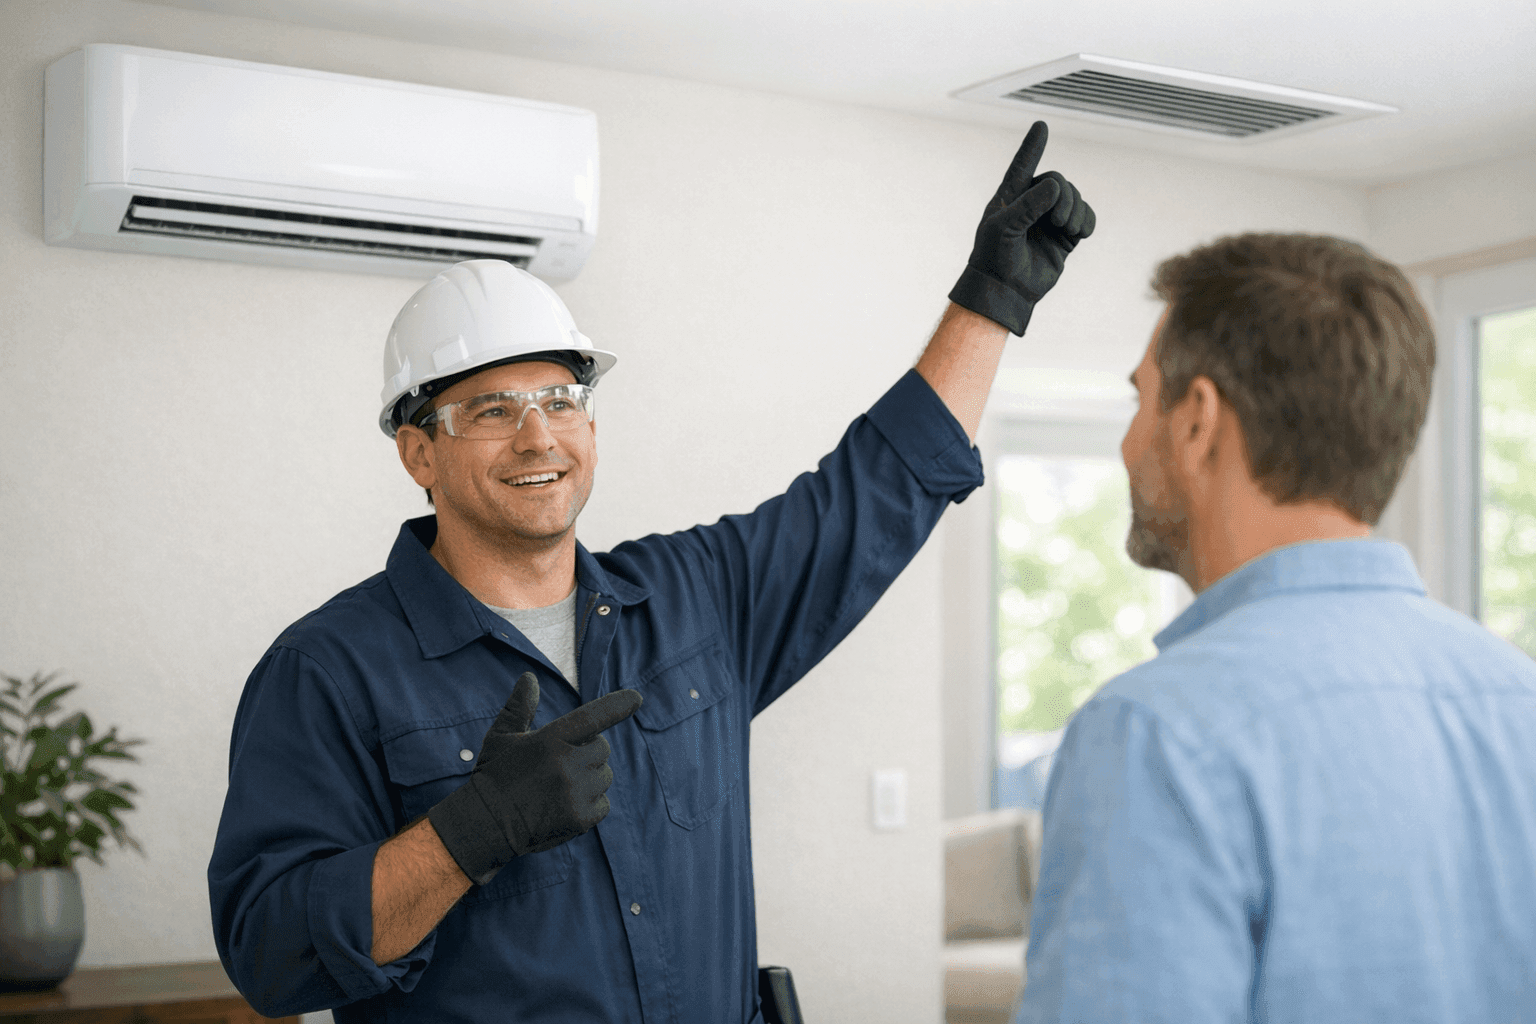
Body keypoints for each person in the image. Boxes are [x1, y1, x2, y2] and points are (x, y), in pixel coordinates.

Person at [208, 120, 1095, 1022]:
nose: (538, 434)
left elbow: (875, 489)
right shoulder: (327, 670)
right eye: (491, 410)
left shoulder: (696, 598)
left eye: (561, 398)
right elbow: (272, 957)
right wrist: (467, 836)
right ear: (418, 454)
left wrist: (990, 301)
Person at [1014, 233, 1536, 1023]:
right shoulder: (1519, 703)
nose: (1127, 442)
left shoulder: (1154, 736)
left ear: (1197, 422)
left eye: (1138, 400)